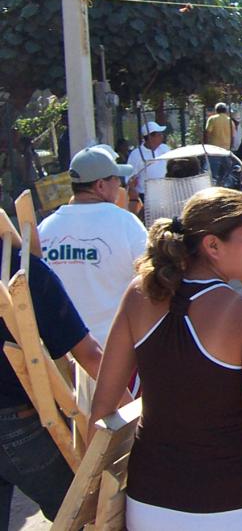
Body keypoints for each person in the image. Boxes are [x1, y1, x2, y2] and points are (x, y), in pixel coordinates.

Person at [89, 187, 242, 530]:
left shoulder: (139, 293)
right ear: (212, 245)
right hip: (233, 504)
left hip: (148, 500)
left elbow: (102, 409)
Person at [0, 238, 105, 527]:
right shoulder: (22, 269)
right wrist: (137, 413)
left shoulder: (21, 266)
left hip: (16, 422)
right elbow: (88, 354)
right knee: (84, 519)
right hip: (18, 424)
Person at [39, 145, 147, 410]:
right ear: (100, 185)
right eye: (116, 180)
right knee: (122, 444)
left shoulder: (45, 229)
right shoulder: (126, 224)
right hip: (117, 361)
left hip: (62, 366)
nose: (119, 187)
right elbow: (152, 283)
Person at [127, 121, 170, 201]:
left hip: (165, 194)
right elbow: (130, 177)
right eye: (159, 135)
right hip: (146, 197)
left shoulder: (165, 148)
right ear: (150, 137)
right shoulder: (136, 154)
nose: (162, 137)